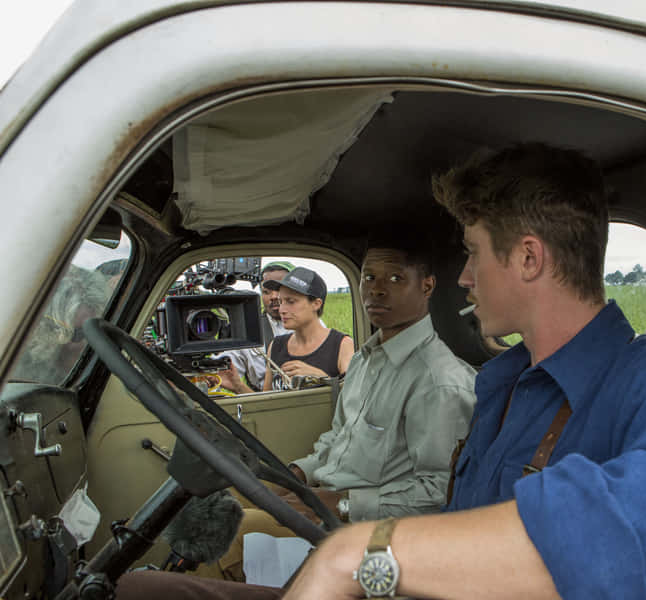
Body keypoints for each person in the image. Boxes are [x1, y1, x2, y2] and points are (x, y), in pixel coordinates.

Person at [279, 143, 646, 599]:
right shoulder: (504, 381)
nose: (464, 278)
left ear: (528, 258)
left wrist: (362, 554)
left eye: (473, 252)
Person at [115, 233, 477, 596]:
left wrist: (341, 503)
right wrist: (296, 474)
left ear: (427, 286)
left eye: (395, 278)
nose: (376, 290)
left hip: (363, 530)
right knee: (213, 502)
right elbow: (338, 438)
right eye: (369, 277)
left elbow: (438, 494)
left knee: (230, 533)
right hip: (326, 499)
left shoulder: (439, 382)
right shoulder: (368, 358)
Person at [261, 265, 354, 390]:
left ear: (316, 304)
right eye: (281, 301)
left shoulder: (342, 345)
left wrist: (321, 379)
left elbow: (354, 398)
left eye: (291, 301)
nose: (282, 310)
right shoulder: (276, 346)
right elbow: (265, 402)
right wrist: (237, 385)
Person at [216, 261, 293, 393]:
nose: (273, 296)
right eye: (266, 292)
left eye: (279, 289)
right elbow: (223, 366)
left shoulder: (314, 325)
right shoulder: (249, 331)